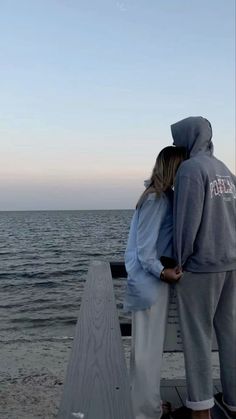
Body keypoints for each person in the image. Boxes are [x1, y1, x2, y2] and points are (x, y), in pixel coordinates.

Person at [171, 116, 236, 419]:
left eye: (177, 138)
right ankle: (234, 400)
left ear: (188, 137)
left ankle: (201, 409)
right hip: (232, 263)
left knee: (196, 337)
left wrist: (179, 261)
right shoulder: (225, 169)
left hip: (201, 266)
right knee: (230, 334)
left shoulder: (190, 170)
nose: (175, 145)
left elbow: (186, 221)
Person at [124, 146, 186, 419]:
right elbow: (145, 252)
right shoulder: (156, 199)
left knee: (146, 352)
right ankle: (145, 413)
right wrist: (164, 273)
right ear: (173, 168)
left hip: (150, 285)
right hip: (151, 285)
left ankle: (148, 405)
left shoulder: (160, 197)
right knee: (146, 354)